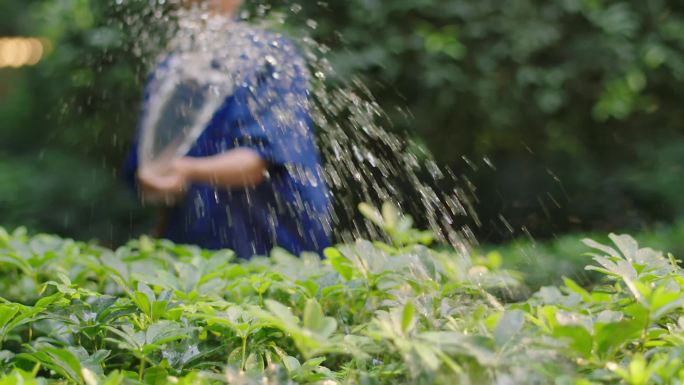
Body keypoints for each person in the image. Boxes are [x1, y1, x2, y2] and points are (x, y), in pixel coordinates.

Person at [123, 0, 332, 259]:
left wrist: (185, 170)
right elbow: (148, 171)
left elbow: (257, 162)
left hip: (274, 251)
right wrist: (155, 182)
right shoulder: (169, 72)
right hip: (193, 255)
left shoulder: (269, 58)